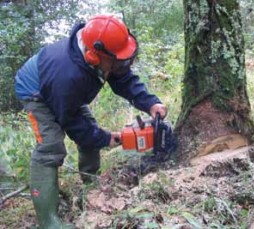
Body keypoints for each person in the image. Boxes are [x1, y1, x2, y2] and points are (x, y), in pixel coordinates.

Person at [15, 14, 167, 228]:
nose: (121, 62)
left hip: (66, 91)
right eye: (116, 60)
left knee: (90, 130)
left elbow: (123, 79)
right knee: (50, 147)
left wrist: (151, 103)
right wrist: (104, 139)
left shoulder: (105, 54)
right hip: (36, 91)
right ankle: (48, 221)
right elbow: (72, 122)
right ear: (93, 56)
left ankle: (90, 184)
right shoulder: (68, 76)